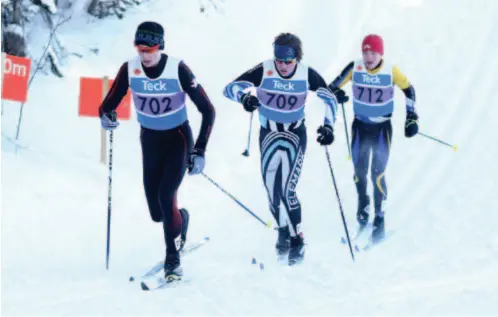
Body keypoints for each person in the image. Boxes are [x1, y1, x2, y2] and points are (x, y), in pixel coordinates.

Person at [98, 21, 216, 281]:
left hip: (178, 139)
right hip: (150, 140)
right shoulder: (130, 69)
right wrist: (106, 116)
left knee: (166, 195)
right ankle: (180, 219)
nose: (144, 55)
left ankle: (172, 259)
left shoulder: (179, 69)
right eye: (139, 49)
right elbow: (107, 104)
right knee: (157, 212)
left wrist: (200, 150)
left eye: (149, 49)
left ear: (160, 46)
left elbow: (208, 110)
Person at [223, 33, 338, 265]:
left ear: (297, 58)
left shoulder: (307, 73)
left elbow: (330, 99)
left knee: (288, 190)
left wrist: (328, 127)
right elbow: (230, 88)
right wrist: (244, 98)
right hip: (268, 134)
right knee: (272, 193)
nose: (283, 66)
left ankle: (298, 239)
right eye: (279, 60)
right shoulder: (265, 69)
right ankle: (282, 231)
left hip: (295, 134)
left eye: (288, 61)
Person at [328, 34, 418, 243]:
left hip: (381, 130)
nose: (368, 57)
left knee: (377, 174)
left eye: (373, 53)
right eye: (365, 52)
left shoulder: (390, 70)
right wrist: (336, 95)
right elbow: (330, 88)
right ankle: (363, 206)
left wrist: (412, 117)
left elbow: (409, 90)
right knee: (359, 173)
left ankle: (379, 217)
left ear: (381, 53)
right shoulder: (355, 67)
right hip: (360, 127)